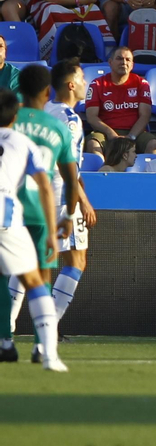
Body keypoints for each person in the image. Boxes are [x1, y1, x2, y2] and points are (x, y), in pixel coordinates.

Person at [9, 63, 89, 358]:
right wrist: (76, 205)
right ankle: (47, 332)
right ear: (71, 84)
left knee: (24, 262)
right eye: (82, 77)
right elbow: (68, 168)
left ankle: (8, 328)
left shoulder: (43, 113)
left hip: (26, 195)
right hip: (55, 196)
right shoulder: (67, 119)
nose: (85, 82)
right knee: (75, 261)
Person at [0, 90, 60, 370]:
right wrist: (50, 229)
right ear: (15, 115)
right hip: (6, 215)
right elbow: (45, 184)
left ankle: (5, 341)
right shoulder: (22, 141)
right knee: (35, 281)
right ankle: (47, 353)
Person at [84, 46, 156, 154]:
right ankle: (102, 171)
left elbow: (145, 115)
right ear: (110, 62)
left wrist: (131, 137)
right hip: (105, 133)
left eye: (128, 59)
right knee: (93, 144)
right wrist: (111, 134)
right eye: (119, 58)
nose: (124, 62)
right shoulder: (97, 84)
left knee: (153, 144)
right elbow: (91, 117)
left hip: (135, 133)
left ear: (132, 65)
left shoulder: (141, 83)